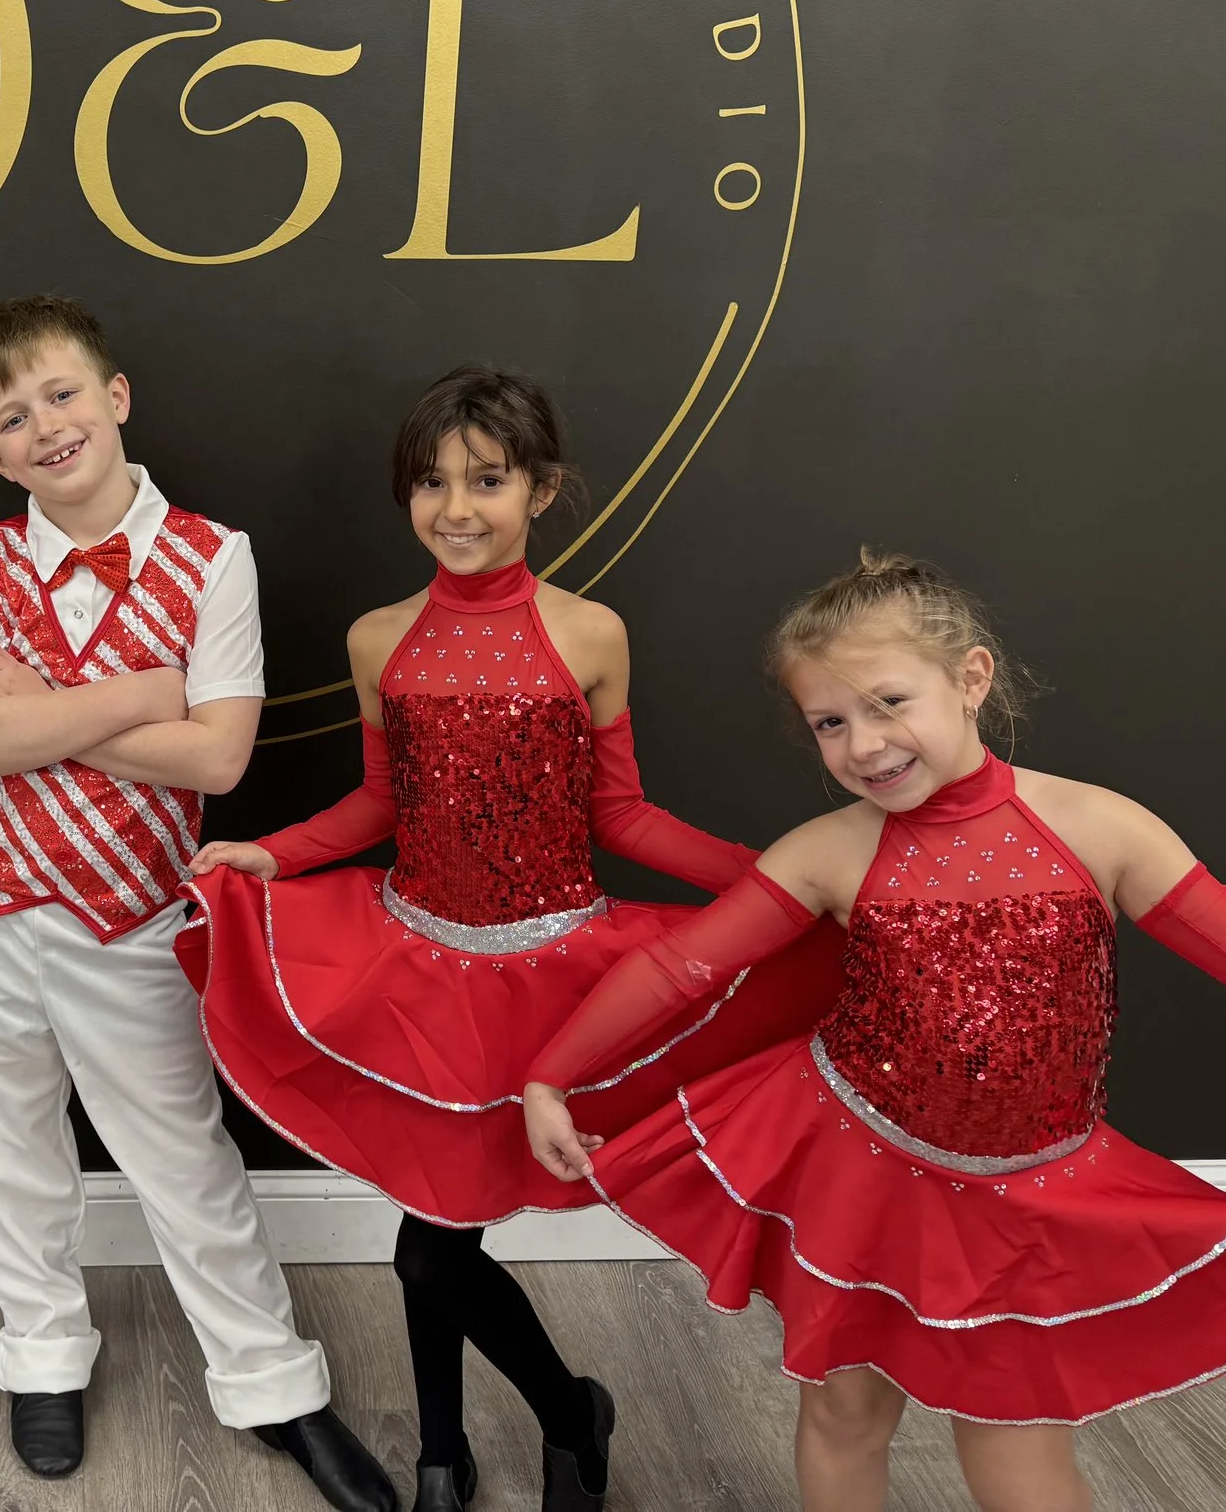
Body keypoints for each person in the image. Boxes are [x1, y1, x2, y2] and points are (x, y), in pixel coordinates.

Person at [524, 551, 1226, 1511]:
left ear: (971, 679)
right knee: (845, 1412)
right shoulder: (828, 851)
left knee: (1020, 1458)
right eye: (831, 723)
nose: (865, 744)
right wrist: (550, 1075)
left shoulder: (1102, 827)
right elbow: (682, 964)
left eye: (889, 702)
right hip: (864, 1167)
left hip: (1032, 1198)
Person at [181, 366, 841, 1512]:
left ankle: (542, 1417)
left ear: (541, 489)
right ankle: (460, 1449)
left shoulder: (589, 633)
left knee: (433, 1247)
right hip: (417, 968)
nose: (456, 508)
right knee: (431, 1228)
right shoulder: (380, 638)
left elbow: (620, 814)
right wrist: (272, 855)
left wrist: (773, 884)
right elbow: (380, 804)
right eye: (430, 484)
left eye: (485, 481)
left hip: (552, 973)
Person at [0, 297, 395, 1512]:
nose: (47, 428)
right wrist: (143, 692)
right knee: (10, 1147)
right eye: (13, 419)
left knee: (185, 1161)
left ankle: (272, 1384)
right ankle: (41, 1352)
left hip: (131, 913)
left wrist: (40, 710)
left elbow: (218, 763)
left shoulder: (213, 554)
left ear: (117, 395)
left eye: (64, 395)